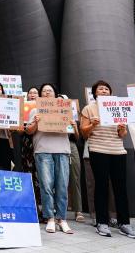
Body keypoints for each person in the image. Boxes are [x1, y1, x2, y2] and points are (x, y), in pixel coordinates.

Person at [80, 80, 135, 239]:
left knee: (120, 187)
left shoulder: (118, 107)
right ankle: (102, 222)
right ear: (95, 93)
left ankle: (124, 223)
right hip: (98, 150)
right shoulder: (89, 109)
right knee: (101, 186)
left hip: (118, 150)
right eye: (101, 89)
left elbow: (122, 134)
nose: (104, 91)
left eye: (107, 89)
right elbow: (83, 133)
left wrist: (122, 129)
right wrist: (92, 125)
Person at [25, 83, 75, 234]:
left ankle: (62, 219)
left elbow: (73, 133)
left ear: (55, 94)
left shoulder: (65, 109)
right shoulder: (35, 110)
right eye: (44, 91)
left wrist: (73, 125)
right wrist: (35, 122)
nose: (47, 93)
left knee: (62, 186)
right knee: (46, 186)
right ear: (40, 95)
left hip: (62, 150)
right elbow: (28, 131)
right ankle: (50, 218)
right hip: (43, 151)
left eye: (50, 90)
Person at [21, 87, 42, 219]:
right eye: (30, 93)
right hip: (26, 143)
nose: (33, 94)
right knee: (28, 174)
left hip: (40, 144)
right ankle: (30, 205)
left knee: (40, 177)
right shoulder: (22, 107)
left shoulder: (44, 109)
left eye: (35, 93)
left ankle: (41, 207)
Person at [65, 94, 86, 223]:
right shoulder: (49, 115)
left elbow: (77, 138)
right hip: (55, 146)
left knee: (75, 178)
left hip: (71, 145)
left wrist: (74, 127)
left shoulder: (72, 118)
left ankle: (78, 210)